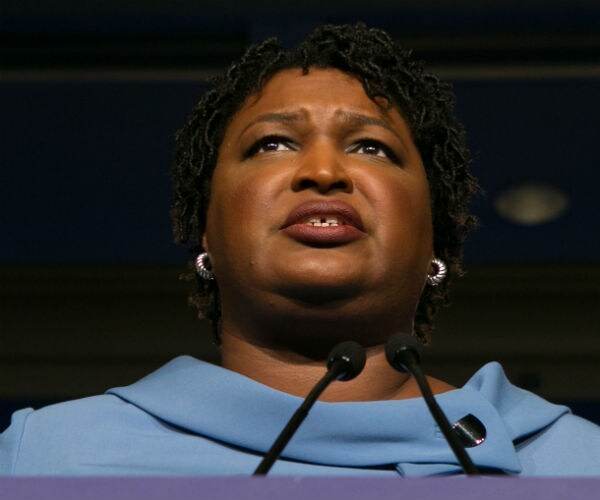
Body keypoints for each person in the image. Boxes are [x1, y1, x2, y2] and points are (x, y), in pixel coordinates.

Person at [1, 24, 598, 477]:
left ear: (434, 236)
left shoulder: (577, 463)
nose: (322, 171)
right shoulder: (47, 459)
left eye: (371, 148)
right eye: (273, 143)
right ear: (206, 230)